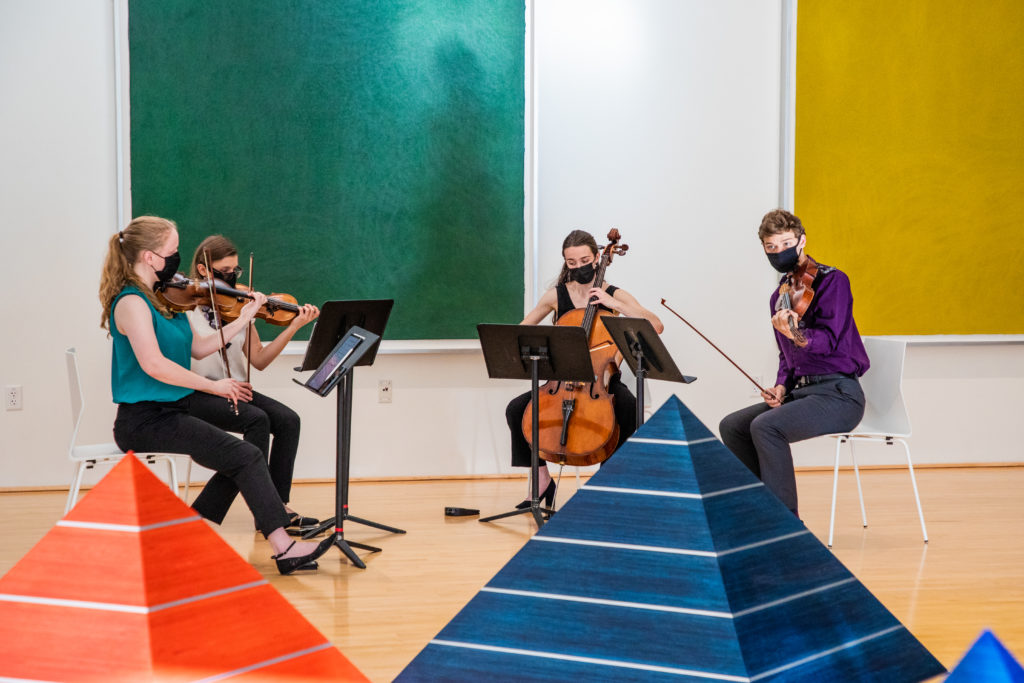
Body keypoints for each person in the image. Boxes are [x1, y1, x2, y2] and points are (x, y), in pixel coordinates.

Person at [99, 215, 334, 574]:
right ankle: (282, 547)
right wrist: (215, 386)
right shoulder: (131, 302)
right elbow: (154, 365)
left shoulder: (163, 300)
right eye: (172, 251)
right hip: (144, 418)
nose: (176, 259)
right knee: (244, 454)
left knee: (245, 453)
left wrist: (246, 316)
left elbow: (199, 349)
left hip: (172, 408)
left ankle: (211, 531)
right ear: (149, 257)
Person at [719, 209, 869, 517]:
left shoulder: (833, 282)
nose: (779, 252)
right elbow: (786, 357)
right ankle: (760, 510)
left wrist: (796, 333)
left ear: (801, 241)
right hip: (802, 392)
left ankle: (785, 522)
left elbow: (829, 340)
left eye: (785, 243)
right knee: (732, 426)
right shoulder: (781, 295)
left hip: (840, 394)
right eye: (770, 247)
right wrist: (781, 386)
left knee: (766, 427)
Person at [505, 229, 664, 507]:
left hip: (602, 381)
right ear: (565, 263)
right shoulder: (555, 296)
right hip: (561, 379)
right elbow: (521, 330)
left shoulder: (614, 293)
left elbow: (656, 325)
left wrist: (614, 304)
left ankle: (608, 481)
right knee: (516, 408)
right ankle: (542, 479)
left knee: (628, 407)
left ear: (597, 257)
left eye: (584, 260)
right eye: (571, 262)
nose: (579, 267)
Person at [185, 235, 320, 532]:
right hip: (199, 392)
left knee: (288, 420)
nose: (232, 277)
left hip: (235, 390)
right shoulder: (185, 308)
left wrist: (294, 326)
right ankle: (268, 514)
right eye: (224, 271)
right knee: (257, 421)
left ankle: (277, 505)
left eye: (236, 270)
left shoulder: (241, 305)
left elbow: (258, 359)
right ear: (204, 270)